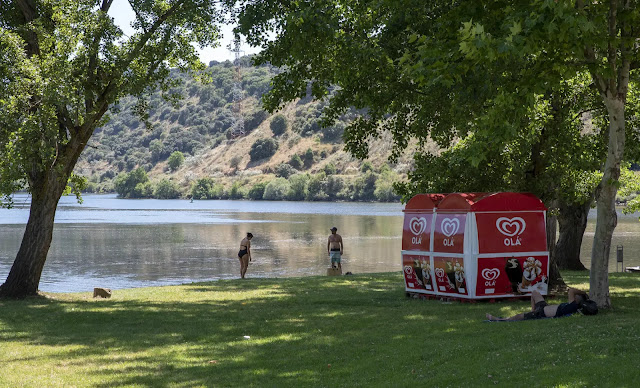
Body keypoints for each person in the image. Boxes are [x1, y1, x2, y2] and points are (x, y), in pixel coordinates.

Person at [486, 287, 598, 321]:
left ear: (578, 300)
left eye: (576, 297)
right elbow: (572, 292)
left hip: (542, 313)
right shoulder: (571, 305)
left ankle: (498, 319)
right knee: (535, 293)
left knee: (518, 316)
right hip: (543, 308)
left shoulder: (573, 306)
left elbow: (571, 291)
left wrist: (584, 293)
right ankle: (532, 310)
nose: (574, 297)